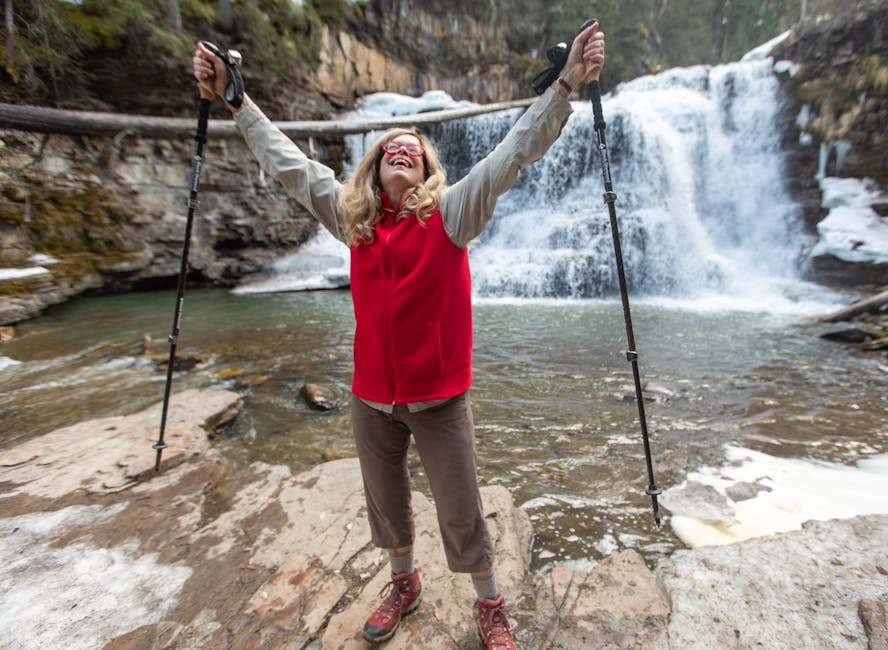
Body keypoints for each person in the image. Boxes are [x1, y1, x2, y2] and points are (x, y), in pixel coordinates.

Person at [192, 21, 605, 649]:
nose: (401, 148)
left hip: (439, 398)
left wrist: (567, 83)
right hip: (370, 398)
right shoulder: (351, 220)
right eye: (391, 146)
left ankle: (490, 603)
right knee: (386, 504)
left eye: (413, 146)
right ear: (375, 165)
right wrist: (236, 101)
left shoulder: (450, 213)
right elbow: (291, 167)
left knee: (460, 508)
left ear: (429, 167)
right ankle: (403, 582)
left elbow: (513, 153)